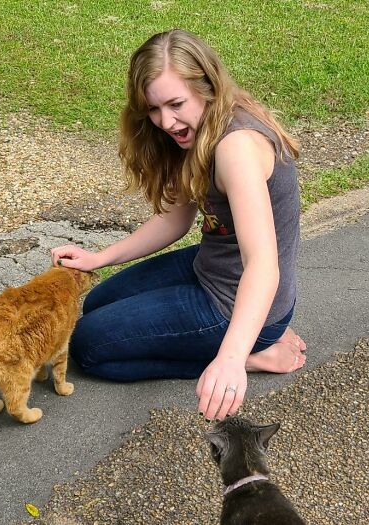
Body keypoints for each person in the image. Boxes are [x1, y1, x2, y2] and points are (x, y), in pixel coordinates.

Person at [51, 29, 306, 421]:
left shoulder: (235, 148)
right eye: (153, 109)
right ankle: (246, 344)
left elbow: (263, 264)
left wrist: (233, 357)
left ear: (206, 85)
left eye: (175, 104)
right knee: (96, 303)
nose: (166, 121)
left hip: (238, 302)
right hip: (212, 266)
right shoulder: (206, 123)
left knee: (88, 348)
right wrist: (98, 258)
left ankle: (256, 352)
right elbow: (175, 219)